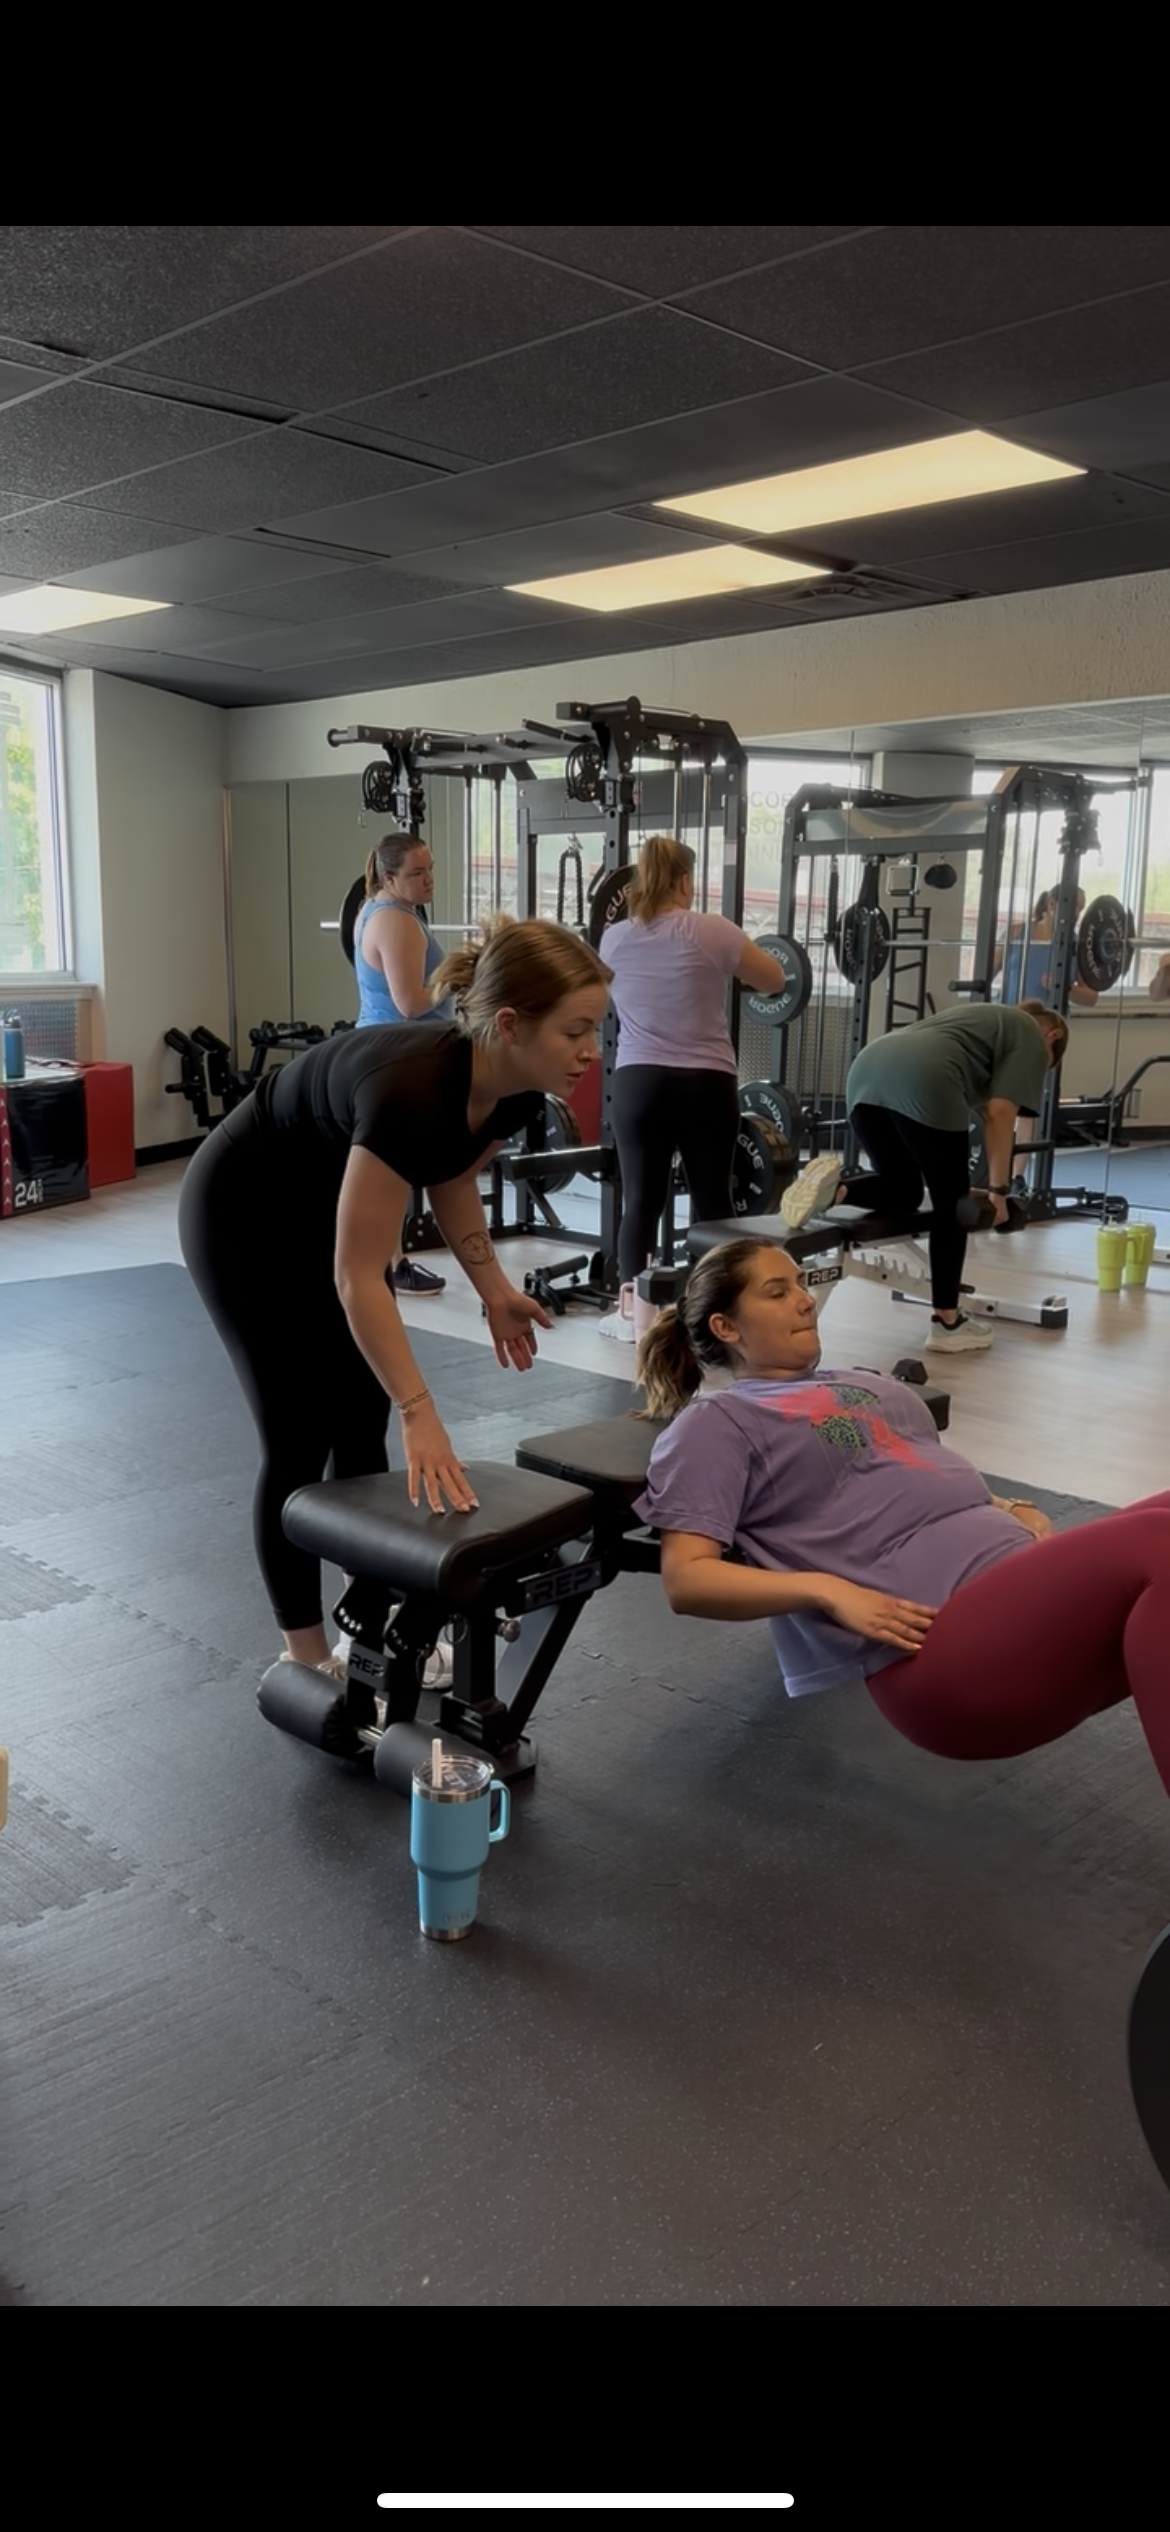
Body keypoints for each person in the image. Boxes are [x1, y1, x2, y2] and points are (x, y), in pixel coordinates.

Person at [178, 917, 611, 1677]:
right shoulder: (411, 1088)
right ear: (509, 1024)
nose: (591, 1050)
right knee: (298, 1434)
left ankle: (365, 1628)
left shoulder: (512, 1090)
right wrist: (423, 1410)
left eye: (596, 1029)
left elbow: (447, 1175)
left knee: (358, 1416)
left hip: (327, 1206)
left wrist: (495, 1289)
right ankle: (305, 1659)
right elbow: (357, 1279)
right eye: (576, 1030)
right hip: (242, 1210)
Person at [634, 1237, 1170, 1796]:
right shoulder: (719, 1422)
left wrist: (1004, 1506)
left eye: (800, 1284)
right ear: (726, 1328)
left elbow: (907, 1475)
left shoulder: (858, 1379)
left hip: (1017, 1606)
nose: (804, 1300)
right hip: (946, 1651)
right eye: (777, 1292)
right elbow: (687, 1579)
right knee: (1158, 1541)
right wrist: (826, 1590)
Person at [778, 999, 1069, 1356]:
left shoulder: (982, 1020)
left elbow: (978, 1110)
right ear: (1052, 1036)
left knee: (904, 1187)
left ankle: (833, 1192)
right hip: (924, 1076)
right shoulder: (1028, 1032)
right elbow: (1000, 1114)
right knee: (953, 1207)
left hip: (866, 1073)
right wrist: (998, 1193)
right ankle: (947, 1323)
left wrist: (967, 1183)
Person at [599, 834, 785, 1340]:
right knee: (713, 1202)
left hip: (639, 1082)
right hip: (704, 1082)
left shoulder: (613, 938)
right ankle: (714, 1318)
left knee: (640, 1199)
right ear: (685, 881)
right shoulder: (712, 931)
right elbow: (774, 980)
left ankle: (634, 1319)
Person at [353, 830, 456, 1298]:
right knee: (393, 1170)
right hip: (396, 1054)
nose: (429, 879)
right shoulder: (395, 921)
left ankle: (391, 1262)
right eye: (418, 873)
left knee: (390, 1168)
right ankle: (391, 1264)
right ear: (391, 877)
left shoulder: (379, 910)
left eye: (430, 868)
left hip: (386, 1049)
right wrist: (460, 974)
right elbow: (411, 1002)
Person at [995, 888, 1097, 1009]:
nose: (1076, 913)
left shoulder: (1078, 946)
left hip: (1049, 1024)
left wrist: (1061, 987)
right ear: (1052, 904)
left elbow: (1092, 997)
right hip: (1009, 1018)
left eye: (1080, 909)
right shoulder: (1015, 932)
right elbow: (986, 974)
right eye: (1073, 906)